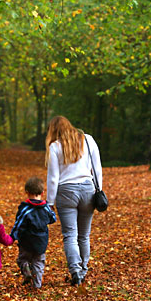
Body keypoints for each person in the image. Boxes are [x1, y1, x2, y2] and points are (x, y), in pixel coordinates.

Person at [45, 116, 103, 286]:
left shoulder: (55, 146)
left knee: (70, 234)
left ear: (54, 131)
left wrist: (49, 203)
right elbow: (97, 168)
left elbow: (53, 178)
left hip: (66, 192)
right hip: (87, 190)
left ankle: (75, 271)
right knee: (84, 235)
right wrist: (99, 190)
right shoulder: (89, 140)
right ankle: (83, 269)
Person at [10, 176, 56, 289]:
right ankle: (37, 285)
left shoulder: (25, 209)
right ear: (42, 192)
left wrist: (12, 236)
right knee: (39, 262)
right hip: (41, 242)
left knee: (22, 259)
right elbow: (53, 218)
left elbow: (18, 224)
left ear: (27, 192)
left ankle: (26, 269)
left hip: (26, 241)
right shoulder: (46, 208)